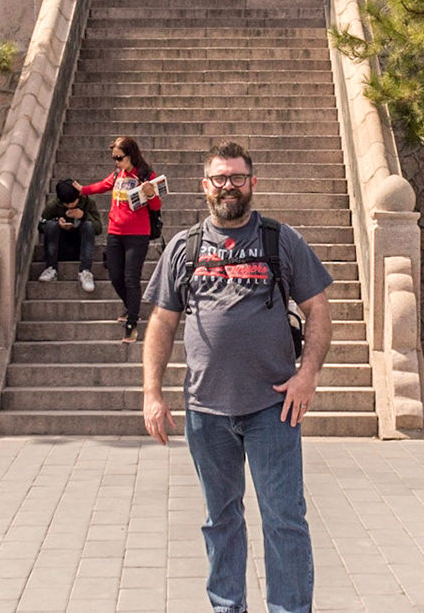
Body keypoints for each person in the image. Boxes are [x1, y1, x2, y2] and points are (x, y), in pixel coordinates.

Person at [142, 140, 333, 613]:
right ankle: (228, 607)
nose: (229, 186)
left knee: (285, 519)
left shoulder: (280, 240)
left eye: (237, 177)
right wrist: (152, 393)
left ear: (252, 182)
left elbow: (319, 310)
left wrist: (307, 375)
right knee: (219, 518)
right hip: (206, 410)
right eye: (220, 178)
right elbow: (162, 323)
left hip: (273, 407)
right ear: (205, 186)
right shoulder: (185, 247)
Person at [80, 135, 161, 340]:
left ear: (131, 155)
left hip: (137, 234)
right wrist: (82, 190)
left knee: (130, 278)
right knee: (115, 276)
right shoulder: (118, 174)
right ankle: (130, 306)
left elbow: (156, 206)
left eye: (119, 158)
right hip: (115, 232)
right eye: (114, 158)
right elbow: (102, 185)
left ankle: (132, 323)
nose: (116, 162)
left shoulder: (145, 174)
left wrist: (150, 193)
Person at [36, 178, 96, 293]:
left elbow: (97, 228)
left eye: (72, 202)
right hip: (59, 248)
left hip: (81, 247)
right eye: (65, 203)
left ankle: (85, 271)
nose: (69, 206)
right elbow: (41, 226)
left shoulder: (88, 203)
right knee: (51, 225)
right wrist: (57, 221)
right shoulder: (53, 205)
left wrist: (84, 216)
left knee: (88, 225)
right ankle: (51, 268)